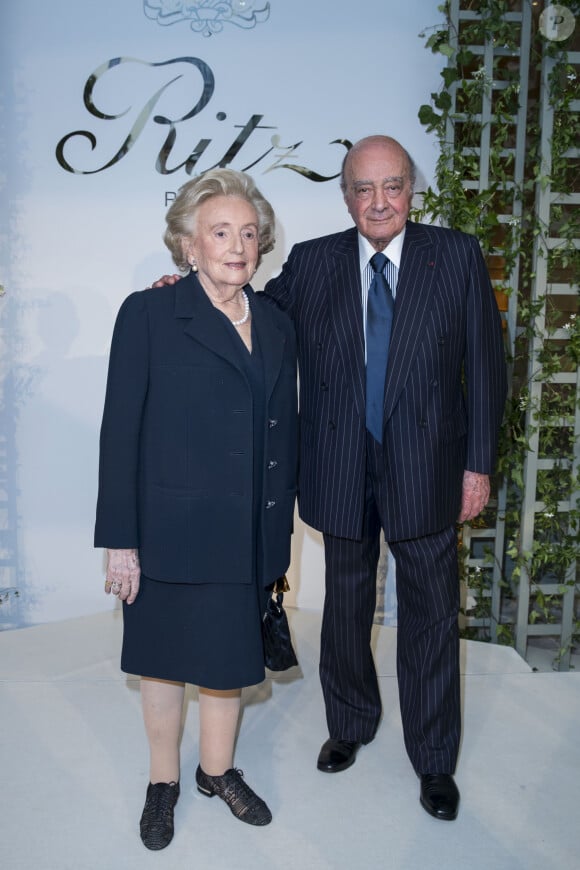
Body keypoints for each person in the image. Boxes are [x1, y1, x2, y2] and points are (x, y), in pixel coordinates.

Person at [152, 134, 507, 822]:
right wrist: (187, 291)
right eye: (363, 189)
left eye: (392, 186)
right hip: (339, 464)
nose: (379, 202)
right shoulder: (314, 263)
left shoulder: (456, 255)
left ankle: (434, 759)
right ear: (346, 196)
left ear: (412, 190)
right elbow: (250, 309)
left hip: (430, 466)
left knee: (431, 616)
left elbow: (487, 369)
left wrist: (478, 466)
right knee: (346, 608)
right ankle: (349, 723)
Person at [95, 168, 298, 850]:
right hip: (168, 531)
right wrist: (120, 542)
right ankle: (163, 782)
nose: (236, 245)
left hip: (246, 532)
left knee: (226, 662)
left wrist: (278, 538)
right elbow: (119, 431)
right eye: (219, 232)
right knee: (162, 662)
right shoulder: (148, 314)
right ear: (187, 245)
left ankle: (217, 770)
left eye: (247, 232)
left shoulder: (274, 321)